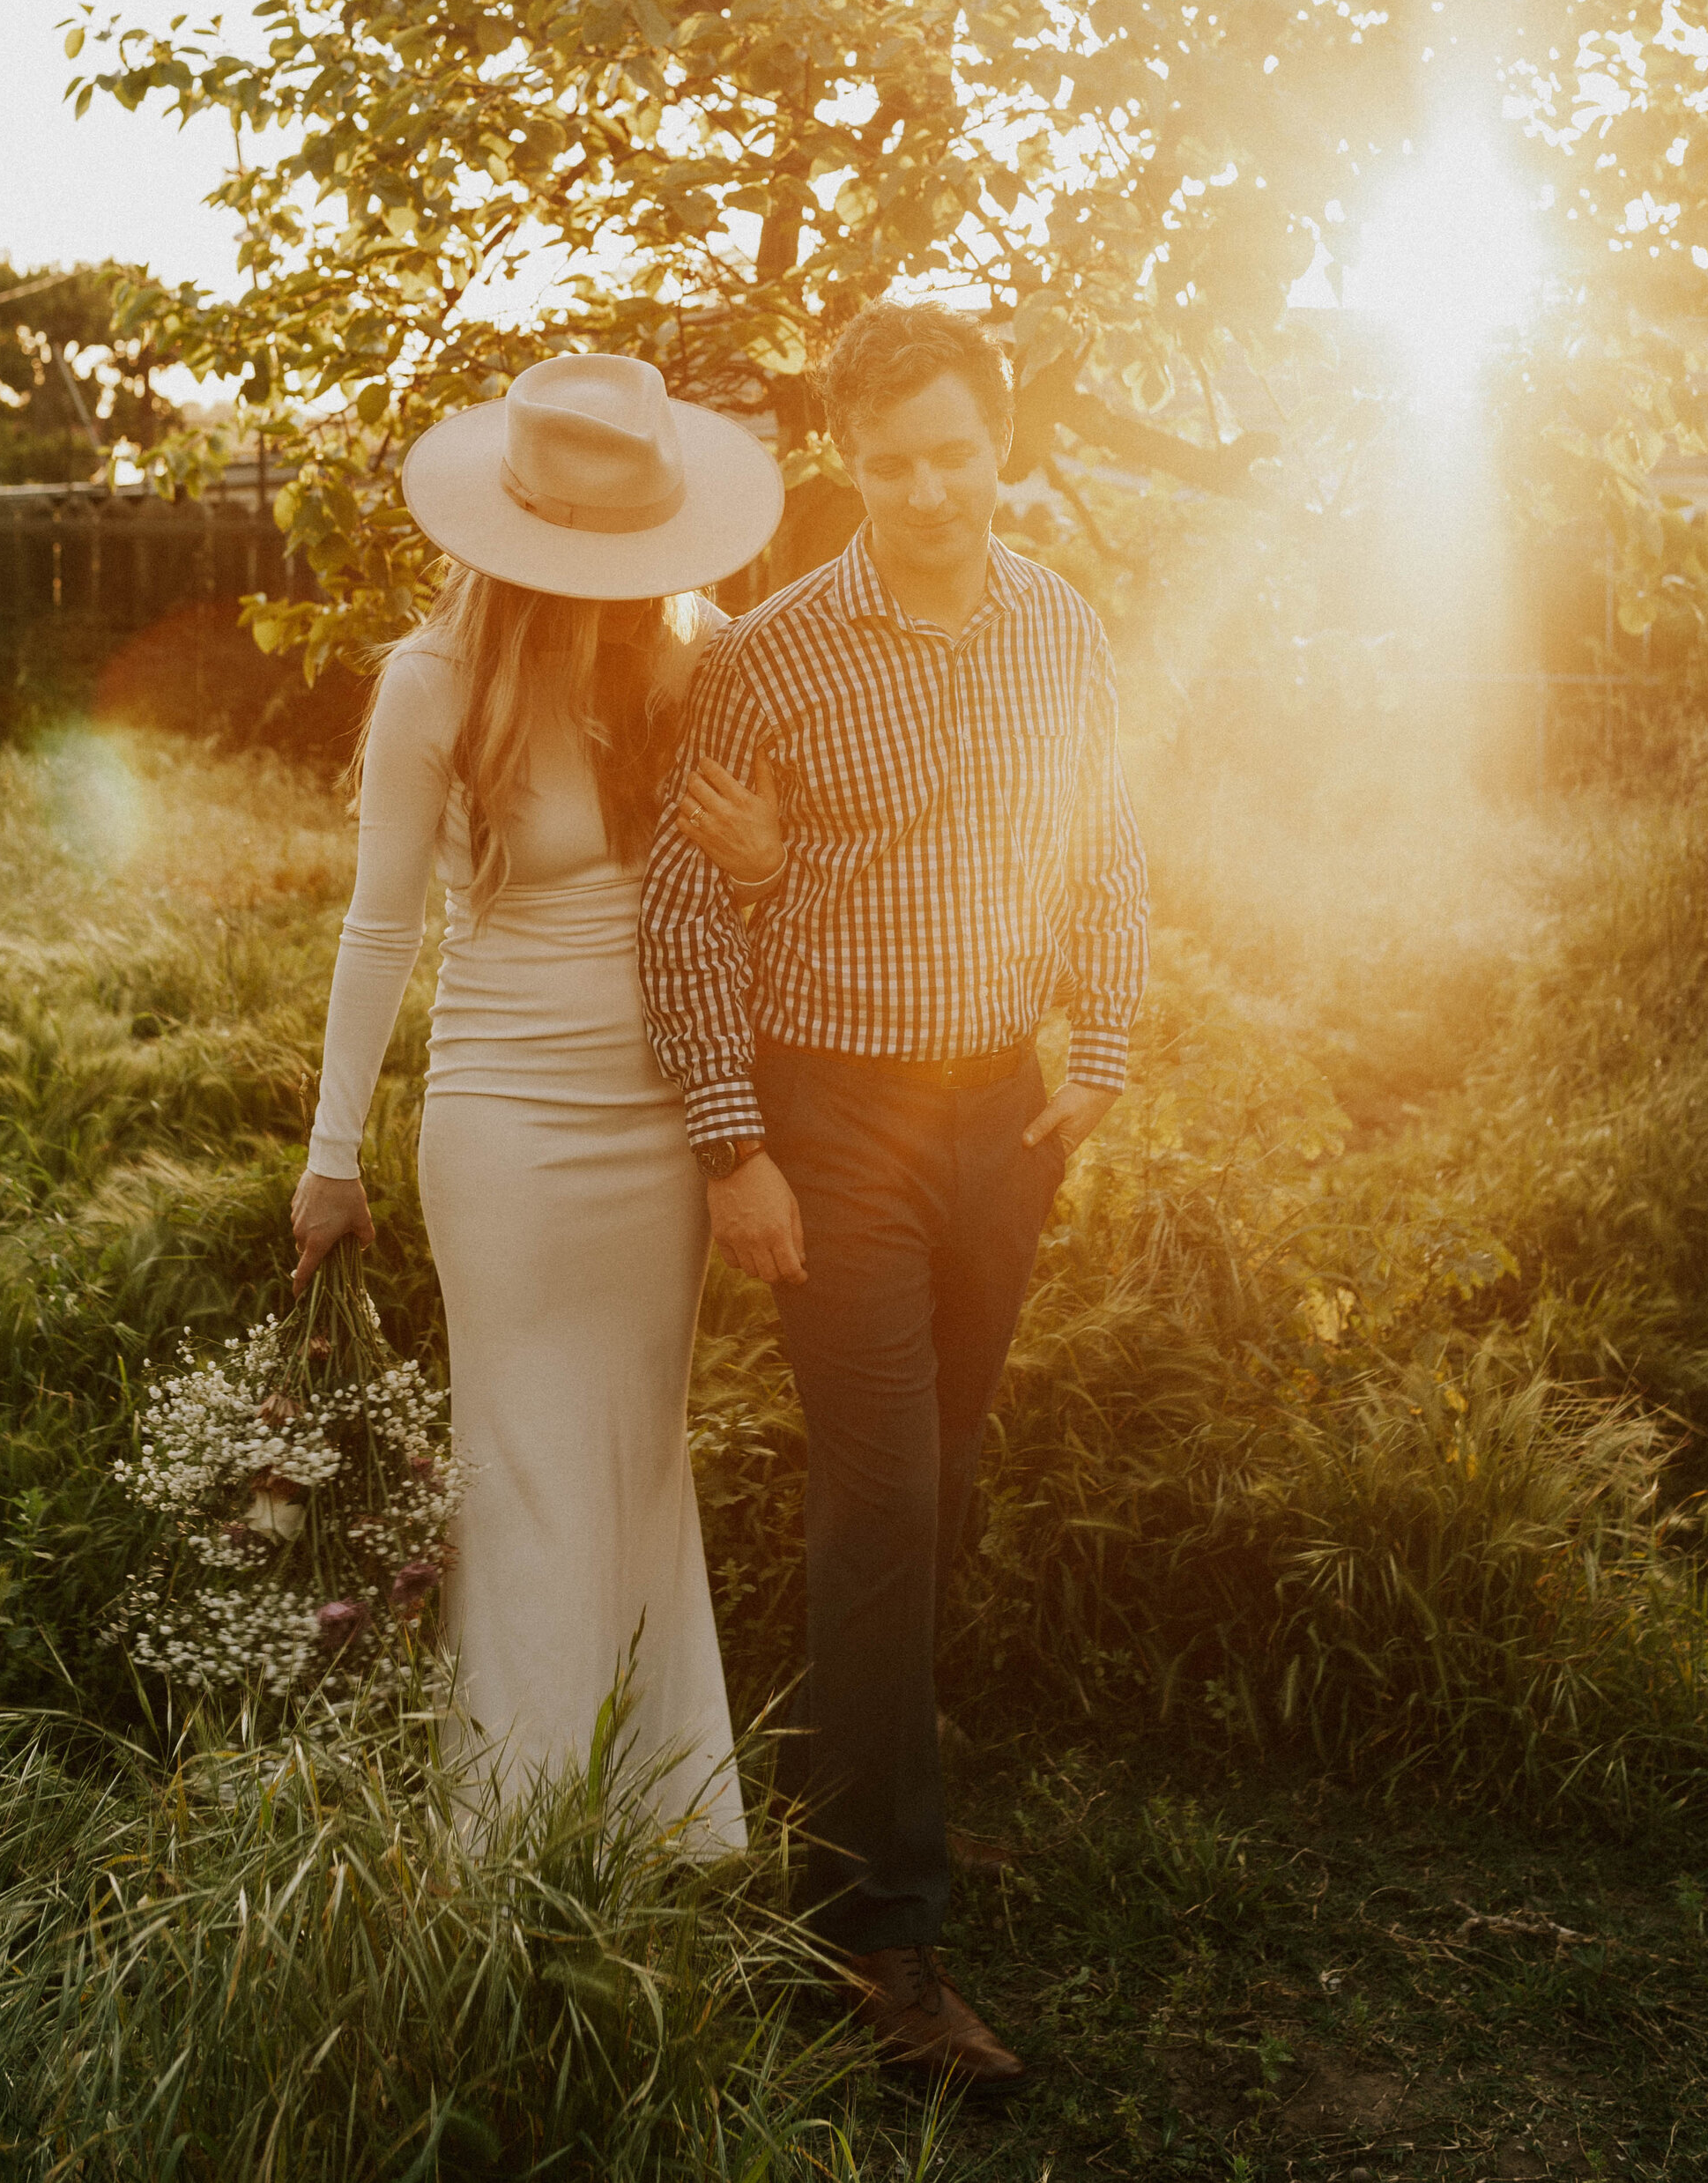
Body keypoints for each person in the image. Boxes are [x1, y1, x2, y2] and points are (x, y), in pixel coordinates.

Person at [639, 301, 1153, 2083]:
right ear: (842, 463)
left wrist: (1103, 1044)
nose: (927, 491)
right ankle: (880, 1941)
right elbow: (684, 916)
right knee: (880, 1497)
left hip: (996, 1114)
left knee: (938, 1484)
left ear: (1001, 446)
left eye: (953, 455)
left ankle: (860, 1805)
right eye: (889, 463)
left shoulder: (1060, 625)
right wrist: (733, 1150)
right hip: (831, 1117)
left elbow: (1103, 834)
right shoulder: (771, 653)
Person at [291, 351, 785, 1840]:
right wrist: (332, 1152)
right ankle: (512, 1828)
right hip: (501, 1123)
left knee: (635, 1452)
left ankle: (659, 1815)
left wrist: (767, 864)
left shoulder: (702, 654)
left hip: (662, 1121)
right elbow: (380, 926)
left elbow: (773, 882)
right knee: (517, 1463)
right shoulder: (431, 681)